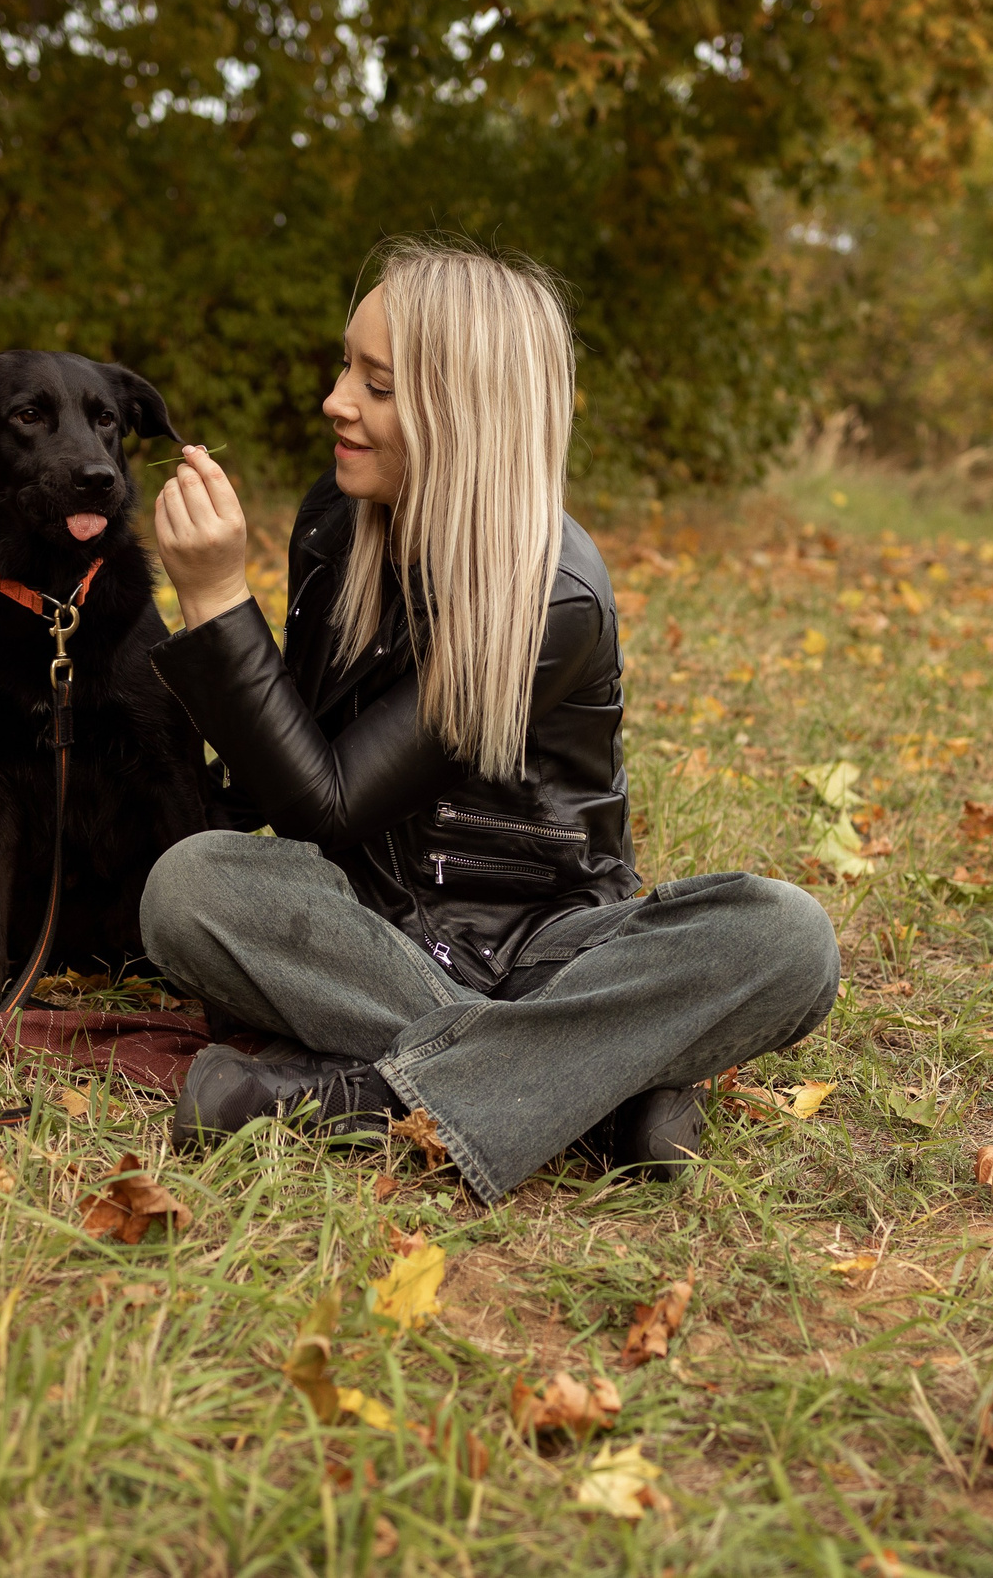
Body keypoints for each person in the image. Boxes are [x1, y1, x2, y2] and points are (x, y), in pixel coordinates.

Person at [141, 240, 838, 1202]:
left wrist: (219, 599)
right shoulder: (334, 522)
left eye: (376, 384)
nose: (336, 400)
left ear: (462, 413)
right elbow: (288, 786)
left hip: (554, 947)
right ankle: (590, 1094)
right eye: (348, 366)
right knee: (188, 888)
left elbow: (328, 800)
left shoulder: (551, 595)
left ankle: (356, 1100)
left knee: (789, 939)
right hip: (373, 931)